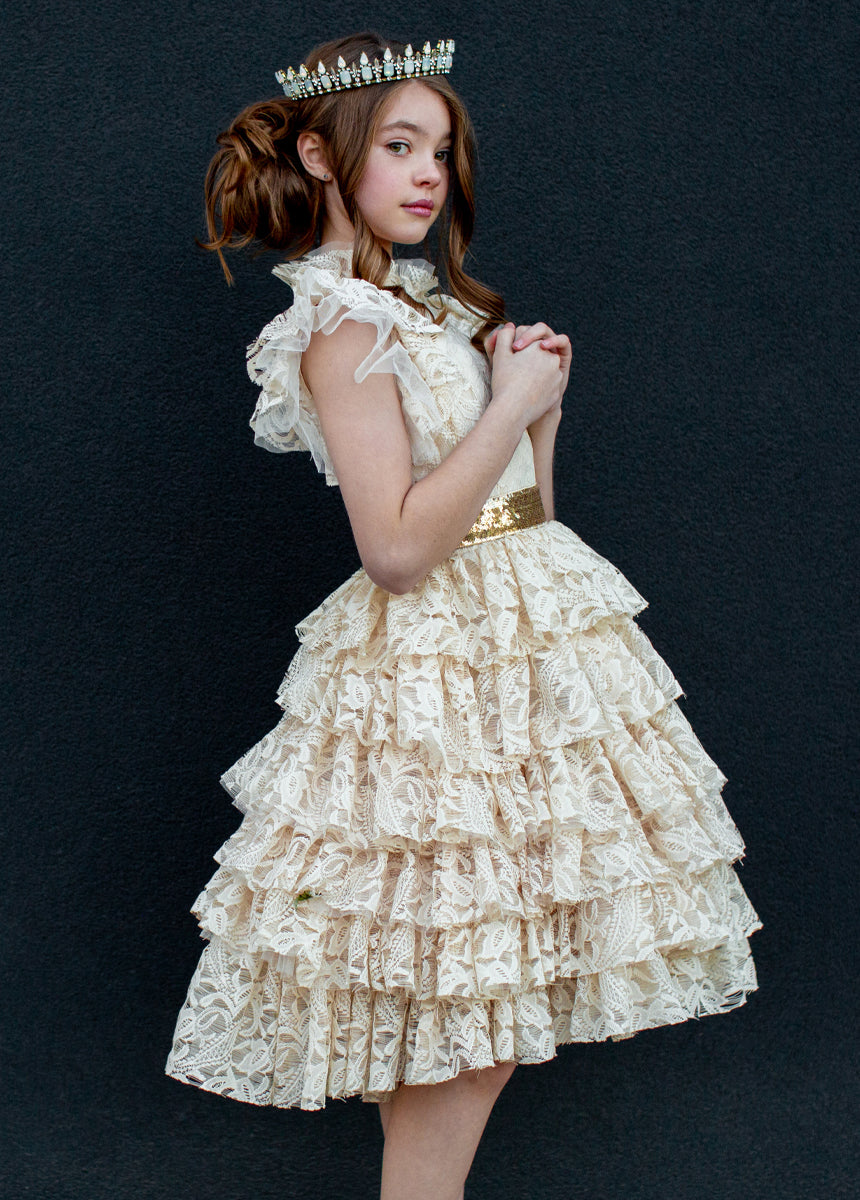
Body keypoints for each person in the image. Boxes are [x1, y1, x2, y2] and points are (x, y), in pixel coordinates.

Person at [165, 30, 762, 1200]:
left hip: (510, 666)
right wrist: (506, 404)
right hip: (434, 680)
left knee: (479, 1013)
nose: (427, 174)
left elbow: (514, 520)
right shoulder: (343, 322)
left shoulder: (419, 306)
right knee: (469, 1016)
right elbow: (394, 550)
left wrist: (536, 414)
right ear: (321, 155)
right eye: (398, 145)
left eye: (438, 150)